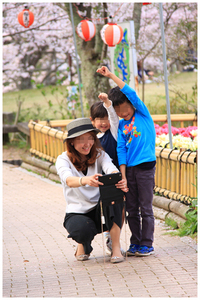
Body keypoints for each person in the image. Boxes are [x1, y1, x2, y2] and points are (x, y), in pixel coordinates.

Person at [96, 66, 156, 257]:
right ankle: (135, 243)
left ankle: (147, 243)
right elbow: (121, 150)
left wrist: (110, 75)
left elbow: (128, 91)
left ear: (132, 103)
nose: (122, 113)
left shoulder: (142, 114)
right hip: (128, 170)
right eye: (118, 111)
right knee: (131, 209)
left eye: (125, 109)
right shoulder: (122, 124)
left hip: (145, 167)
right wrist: (123, 176)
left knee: (145, 208)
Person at [56, 117, 128, 263]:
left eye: (90, 138)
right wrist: (85, 180)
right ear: (72, 142)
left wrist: (119, 180)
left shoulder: (100, 154)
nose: (87, 143)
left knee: (116, 193)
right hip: (77, 211)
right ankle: (83, 244)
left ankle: (115, 247)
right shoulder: (63, 159)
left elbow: (110, 168)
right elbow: (69, 180)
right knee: (81, 230)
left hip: (100, 208)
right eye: (81, 139)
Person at [90, 94, 122, 254]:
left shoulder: (114, 134)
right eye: (99, 119)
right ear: (92, 120)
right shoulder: (91, 139)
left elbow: (114, 120)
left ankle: (113, 238)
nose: (103, 123)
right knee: (99, 210)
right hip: (96, 180)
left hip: (115, 178)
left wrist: (107, 103)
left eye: (106, 118)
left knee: (119, 210)